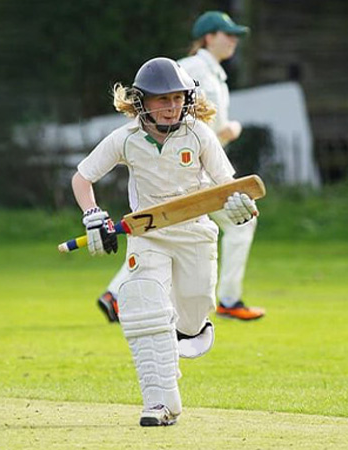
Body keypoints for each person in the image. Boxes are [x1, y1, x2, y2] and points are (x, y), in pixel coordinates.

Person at [71, 57, 259, 426]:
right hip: (148, 236)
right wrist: (92, 214)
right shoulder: (125, 138)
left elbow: (228, 185)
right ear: (141, 102)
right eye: (161, 99)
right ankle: (160, 404)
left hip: (194, 235)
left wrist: (240, 205)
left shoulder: (199, 133)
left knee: (190, 321)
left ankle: (181, 336)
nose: (171, 107)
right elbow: (82, 178)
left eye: (177, 98)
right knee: (144, 307)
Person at [97, 11, 265, 323]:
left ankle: (116, 294)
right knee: (170, 225)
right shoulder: (191, 68)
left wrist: (226, 131)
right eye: (226, 33)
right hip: (184, 169)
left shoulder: (217, 75)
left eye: (235, 35)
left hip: (203, 168)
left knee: (162, 226)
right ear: (207, 37)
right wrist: (221, 133)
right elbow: (170, 116)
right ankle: (228, 299)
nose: (233, 40)